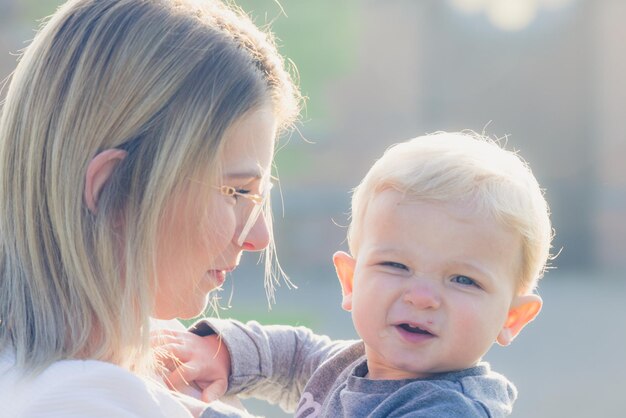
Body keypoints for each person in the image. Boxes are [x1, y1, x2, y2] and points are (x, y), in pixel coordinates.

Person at [0, 0, 300, 417]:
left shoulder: (154, 357)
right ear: (115, 193)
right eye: (236, 192)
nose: (259, 237)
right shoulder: (73, 403)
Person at [155, 131, 553, 417]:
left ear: (511, 317)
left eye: (464, 280)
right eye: (396, 265)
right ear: (350, 280)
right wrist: (223, 353)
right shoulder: (354, 365)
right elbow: (295, 356)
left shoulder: (451, 407)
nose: (422, 296)